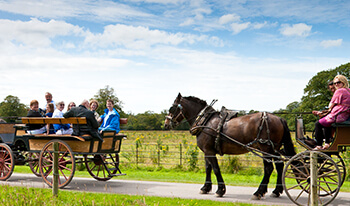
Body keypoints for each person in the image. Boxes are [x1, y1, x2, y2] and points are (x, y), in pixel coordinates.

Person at [314, 75, 350, 150]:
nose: (336, 84)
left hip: (339, 115)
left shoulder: (340, 90)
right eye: (335, 83)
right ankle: (327, 143)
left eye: (338, 82)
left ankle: (319, 145)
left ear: (343, 82)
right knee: (327, 123)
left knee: (318, 124)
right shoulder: (348, 90)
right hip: (345, 115)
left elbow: (330, 104)